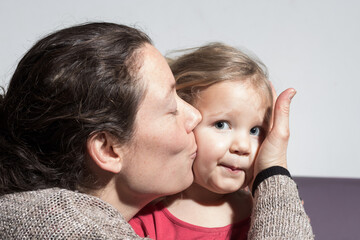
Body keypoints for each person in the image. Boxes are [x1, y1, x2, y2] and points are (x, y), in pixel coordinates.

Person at [0, 22, 313, 239]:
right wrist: (274, 173)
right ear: (109, 149)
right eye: (173, 107)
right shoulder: (65, 227)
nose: (194, 115)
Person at [129, 42, 272, 239]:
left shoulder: (267, 215)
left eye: (255, 130)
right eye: (222, 125)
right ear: (183, 120)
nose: (243, 146)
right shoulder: (145, 218)